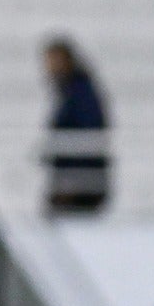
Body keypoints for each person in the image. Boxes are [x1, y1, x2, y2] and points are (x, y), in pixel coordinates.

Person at [43, 36, 109, 212]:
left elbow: (87, 136)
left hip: (79, 184)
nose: (48, 67)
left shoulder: (80, 93)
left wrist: (72, 182)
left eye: (53, 60)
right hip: (73, 180)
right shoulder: (69, 91)